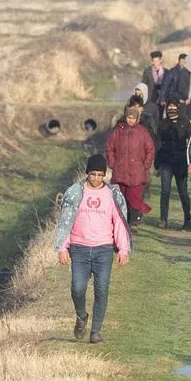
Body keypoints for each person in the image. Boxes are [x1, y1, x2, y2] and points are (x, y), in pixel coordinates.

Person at [55, 154, 130, 345]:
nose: (96, 178)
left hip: (103, 249)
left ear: (104, 175)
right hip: (79, 248)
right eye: (93, 174)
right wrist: (62, 247)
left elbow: (120, 223)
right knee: (77, 288)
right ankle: (81, 316)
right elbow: (65, 221)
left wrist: (123, 249)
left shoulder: (112, 195)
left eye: (100, 175)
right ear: (87, 173)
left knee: (101, 289)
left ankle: (95, 331)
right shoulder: (75, 193)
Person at [105, 105, 155, 225]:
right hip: (121, 170)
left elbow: (150, 149)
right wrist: (112, 163)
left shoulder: (142, 132)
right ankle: (125, 221)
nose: (130, 120)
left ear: (137, 119)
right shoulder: (118, 131)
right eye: (128, 117)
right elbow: (109, 148)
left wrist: (146, 164)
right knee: (123, 198)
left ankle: (134, 220)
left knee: (135, 197)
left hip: (137, 170)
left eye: (133, 118)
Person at [155, 101, 191, 230]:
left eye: (174, 106)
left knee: (183, 192)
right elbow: (158, 144)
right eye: (169, 107)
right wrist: (157, 165)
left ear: (178, 108)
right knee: (165, 191)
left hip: (181, 162)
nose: (171, 109)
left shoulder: (185, 122)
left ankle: (187, 219)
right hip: (166, 162)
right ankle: (163, 219)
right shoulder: (163, 124)